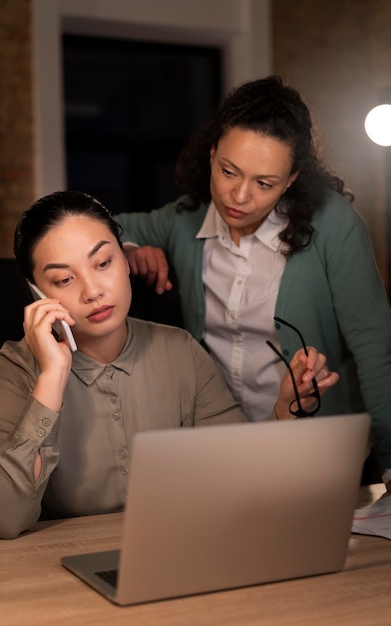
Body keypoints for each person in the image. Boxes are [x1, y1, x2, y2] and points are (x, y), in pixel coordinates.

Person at [0, 190, 337, 539]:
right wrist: (52, 376)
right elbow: (2, 518)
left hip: (178, 556)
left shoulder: (180, 351)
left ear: (124, 256)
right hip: (55, 583)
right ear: (37, 293)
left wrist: (284, 410)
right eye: (64, 279)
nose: (92, 291)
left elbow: (241, 482)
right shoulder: (12, 371)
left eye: (103, 263)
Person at [115, 75, 391, 490]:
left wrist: (390, 463)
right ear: (211, 154)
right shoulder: (184, 219)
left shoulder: (334, 224)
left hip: (314, 448)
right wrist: (131, 247)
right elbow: (104, 226)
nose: (239, 196)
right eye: (229, 171)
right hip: (219, 447)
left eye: (264, 184)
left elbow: (376, 349)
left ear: (293, 179)